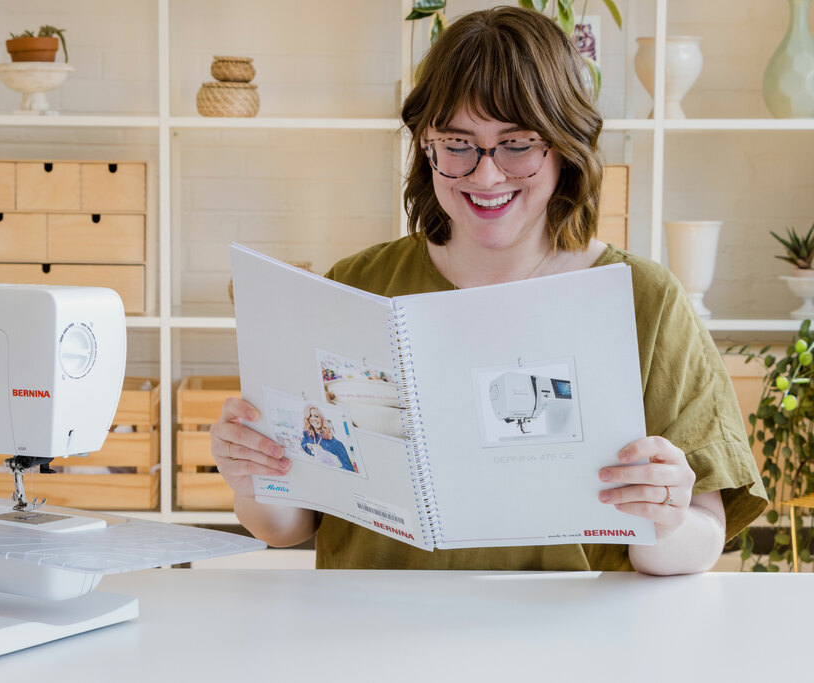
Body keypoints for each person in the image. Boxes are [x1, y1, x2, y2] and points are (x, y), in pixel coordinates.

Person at [209, 6, 767, 575]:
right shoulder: (357, 287)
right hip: (375, 640)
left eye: (517, 143)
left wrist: (667, 517)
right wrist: (251, 473)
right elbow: (286, 526)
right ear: (426, 147)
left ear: (564, 146)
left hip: (570, 646)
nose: (486, 175)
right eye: (457, 143)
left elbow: (704, 534)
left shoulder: (643, 299)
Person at [299, 404, 355, 472]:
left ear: (322, 419)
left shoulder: (335, 444)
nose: (313, 419)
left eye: (316, 416)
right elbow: (303, 445)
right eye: (310, 416)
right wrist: (309, 446)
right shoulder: (307, 435)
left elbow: (349, 469)